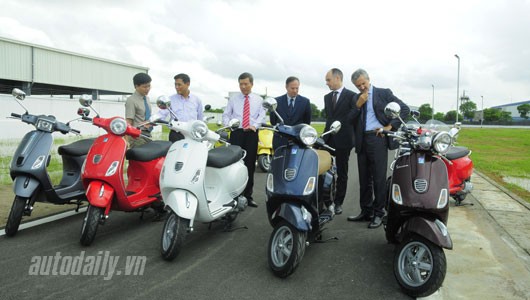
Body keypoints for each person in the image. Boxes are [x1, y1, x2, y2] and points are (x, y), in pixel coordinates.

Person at [347, 68, 410, 228]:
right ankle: (366, 211)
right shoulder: (356, 98)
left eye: (363, 83)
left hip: (378, 138)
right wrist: (358, 105)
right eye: (358, 85)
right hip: (362, 140)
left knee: (378, 179)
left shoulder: (384, 93)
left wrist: (390, 126)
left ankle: (379, 213)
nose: (361, 87)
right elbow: (349, 120)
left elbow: (404, 109)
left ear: (369, 79)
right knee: (364, 179)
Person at [222, 72, 266, 208]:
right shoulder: (233, 99)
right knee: (233, 165)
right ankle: (234, 196)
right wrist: (229, 125)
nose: (243, 86)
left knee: (250, 164)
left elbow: (262, 116)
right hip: (237, 133)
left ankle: (248, 196)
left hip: (251, 133)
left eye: (246, 84)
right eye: (241, 84)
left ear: (251, 84)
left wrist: (255, 125)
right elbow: (226, 115)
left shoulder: (259, 100)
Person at [322, 68, 356, 215]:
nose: (327, 83)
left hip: (344, 140)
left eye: (328, 80)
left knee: (342, 172)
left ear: (337, 78)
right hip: (328, 138)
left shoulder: (352, 96)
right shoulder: (327, 97)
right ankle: (324, 200)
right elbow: (329, 118)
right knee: (323, 170)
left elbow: (353, 118)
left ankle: (338, 202)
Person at [156, 73, 204, 142]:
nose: (176, 87)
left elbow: (200, 119)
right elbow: (161, 114)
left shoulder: (197, 100)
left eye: (179, 84)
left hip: (192, 135)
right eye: (175, 84)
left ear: (187, 84)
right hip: (176, 135)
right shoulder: (170, 99)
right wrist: (151, 121)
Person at [270, 76, 312, 150]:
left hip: (298, 142)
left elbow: (307, 123)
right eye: (292, 88)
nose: (295, 90)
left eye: (297, 88)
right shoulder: (276, 101)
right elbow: (273, 121)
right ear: (286, 87)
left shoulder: (305, 102)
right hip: (280, 141)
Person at [125, 72, 153, 148]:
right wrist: (126, 141)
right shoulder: (131, 100)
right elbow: (128, 122)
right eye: (144, 87)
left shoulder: (147, 99)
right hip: (136, 137)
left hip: (147, 134)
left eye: (149, 86)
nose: (147, 89)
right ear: (136, 86)